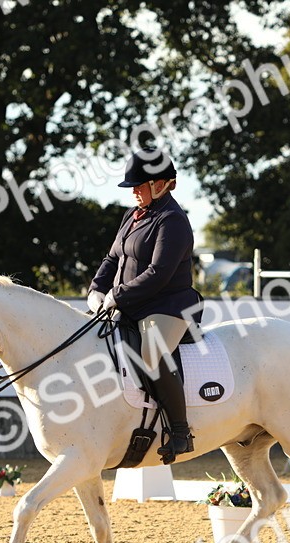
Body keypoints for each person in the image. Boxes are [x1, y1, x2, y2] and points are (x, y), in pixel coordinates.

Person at [88, 148, 201, 464]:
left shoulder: (173, 221)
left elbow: (159, 274)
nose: (134, 192)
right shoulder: (132, 216)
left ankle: (180, 432)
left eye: (139, 185)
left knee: (151, 350)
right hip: (129, 305)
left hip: (168, 306)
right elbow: (112, 259)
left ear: (162, 184)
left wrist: (117, 296)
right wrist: (96, 290)